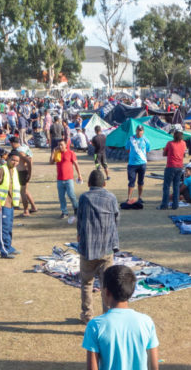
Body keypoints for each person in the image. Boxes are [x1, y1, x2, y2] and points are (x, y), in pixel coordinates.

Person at [77, 169, 120, 324]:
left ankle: (87, 316)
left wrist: (79, 236)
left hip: (87, 249)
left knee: (86, 284)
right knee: (106, 286)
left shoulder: (84, 198)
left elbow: (80, 220)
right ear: (104, 183)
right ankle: (107, 317)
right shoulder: (111, 198)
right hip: (106, 249)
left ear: (88, 184)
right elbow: (116, 220)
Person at [0, 150, 22, 258]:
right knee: (2, 228)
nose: (15, 162)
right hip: (2, 204)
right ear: (8, 158)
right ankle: (4, 251)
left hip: (10, 204)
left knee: (8, 227)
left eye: (17, 161)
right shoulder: (2, 169)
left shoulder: (14, 170)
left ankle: (9, 247)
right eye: (13, 160)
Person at [51, 138, 82, 219]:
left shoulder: (71, 153)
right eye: (59, 145)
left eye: (61, 145)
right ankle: (64, 212)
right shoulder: (57, 153)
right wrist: (53, 151)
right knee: (61, 197)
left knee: (71, 195)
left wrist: (79, 175)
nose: (60, 146)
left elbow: (76, 164)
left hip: (69, 179)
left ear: (65, 145)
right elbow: (51, 162)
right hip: (60, 179)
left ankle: (76, 208)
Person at [8, 135, 36, 215]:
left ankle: (26, 211)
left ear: (13, 143)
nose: (10, 145)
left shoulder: (20, 152)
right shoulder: (24, 147)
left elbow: (29, 161)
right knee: (25, 191)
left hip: (22, 173)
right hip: (23, 172)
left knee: (23, 193)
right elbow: (30, 158)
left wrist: (29, 174)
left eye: (11, 143)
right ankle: (33, 207)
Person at [159, 130, 186, 210]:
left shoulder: (170, 143)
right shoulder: (183, 143)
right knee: (176, 186)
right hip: (179, 166)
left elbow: (164, 154)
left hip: (171, 166)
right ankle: (175, 205)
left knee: (166, 186)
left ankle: (164, 205)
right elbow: (184, 153)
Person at [125, 124, 150, 206]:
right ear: (136, 131)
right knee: (131, 181)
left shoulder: (146, 140)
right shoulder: (131, 139)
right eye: (138, 130)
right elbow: (127, 149)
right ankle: (128, 198)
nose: (139, 132)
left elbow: (147, 150)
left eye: (141, 130)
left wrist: (141, 157)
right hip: (132, 164)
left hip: (142, 164)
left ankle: (140, 197)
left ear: (143, 131)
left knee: (141, 181)